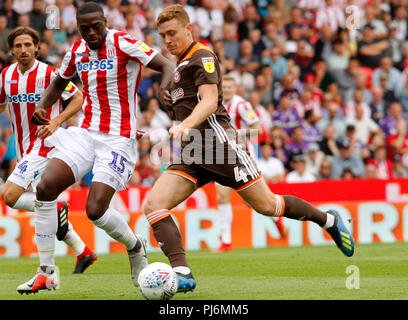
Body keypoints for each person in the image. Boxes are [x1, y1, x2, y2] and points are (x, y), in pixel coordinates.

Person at [144, 4, 355, 295]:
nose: (167, 40)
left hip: (220, 147)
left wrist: (186, 124)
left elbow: (209, 100)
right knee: (154, 205)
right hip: (193, 152)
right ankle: (182, 273)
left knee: (268, 206)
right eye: (162, 35)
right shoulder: (179, 67)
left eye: (172, 33)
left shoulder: (202, 56)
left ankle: (329, 221)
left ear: (188, 29)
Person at [25, 2, 175, 294]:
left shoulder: (123, 42)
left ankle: (135, 246)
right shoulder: (77, 50)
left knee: (95, 209)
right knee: (44, 189)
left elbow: (165, 64)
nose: (91, 33)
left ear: (105, 21)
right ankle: (45, 271)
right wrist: (42, 106)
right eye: (85, 28)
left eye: (96, 26)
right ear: (78, 27)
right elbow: (59, 82)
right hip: (85, 133)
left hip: (119, 137)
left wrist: (164, 87)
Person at [0, 26, 97, 293]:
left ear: (37, 47)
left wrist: (55, 122)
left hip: (44, 147)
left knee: (9, 195)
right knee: (43, 207)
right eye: (17, 46)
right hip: (23, 150)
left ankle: (48, 270)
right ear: (12, 50)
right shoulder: (5, 76)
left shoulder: (50, 74)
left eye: (27, 45)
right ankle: (82, 250)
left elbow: (78, 98)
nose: (23, 50)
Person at [213, 76, 287, 253]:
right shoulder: (214, 103)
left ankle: (276, 217)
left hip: (241, 155)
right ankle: (226, 241)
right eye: (226, 86)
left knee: (251, 201)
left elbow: (259, 129)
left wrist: (236, 132)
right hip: (220, 157)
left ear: (236, 88)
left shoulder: (241, 105)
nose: (228, 89)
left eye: (231, 86)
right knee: (222, 196)